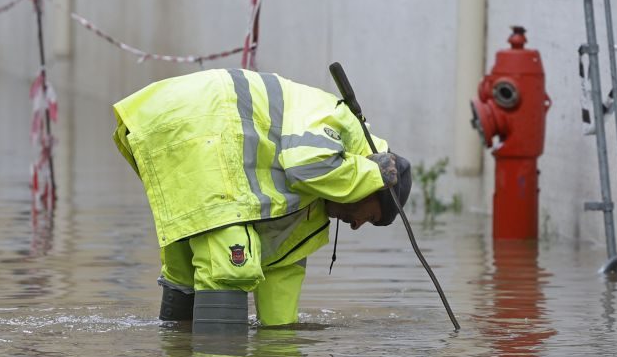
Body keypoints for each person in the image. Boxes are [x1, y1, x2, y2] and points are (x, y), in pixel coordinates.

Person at [112, 68, 411, 328]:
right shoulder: (341, 123)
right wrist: (372, 174)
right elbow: (305, 164)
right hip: (199, 124)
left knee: (185, 271)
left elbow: (283, 271)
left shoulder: (308, 210)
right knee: (230, 267)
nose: (356, 225)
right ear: (375, 186)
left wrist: (281, 342)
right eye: (369, 217)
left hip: (186, 133)